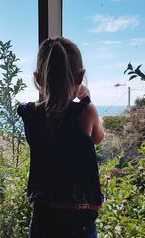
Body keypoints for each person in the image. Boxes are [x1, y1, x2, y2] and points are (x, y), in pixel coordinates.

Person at [18, 37, 105, 238]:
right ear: (80, 76)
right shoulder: (85, 111)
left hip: (44, 215)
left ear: (38, 79)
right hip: (79, 220)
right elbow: (98, 137)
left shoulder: (31, 114)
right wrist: (86, 98)